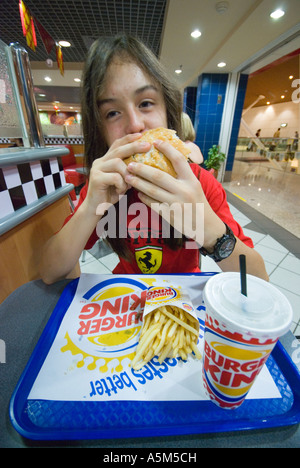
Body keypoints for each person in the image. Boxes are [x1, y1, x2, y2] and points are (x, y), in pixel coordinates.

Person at [39, 34, 268, 284]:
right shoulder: (105, 188)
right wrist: (91, 207)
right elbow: (50, 272)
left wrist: (210, 230)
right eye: (113, 112)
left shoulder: (200, 184)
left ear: (168, 115)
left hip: (184, 298)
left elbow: (256, 280)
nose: (135, 125)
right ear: (99, 131)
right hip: (127, 294)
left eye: (146, 103)